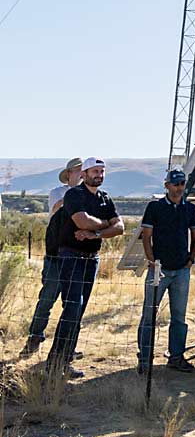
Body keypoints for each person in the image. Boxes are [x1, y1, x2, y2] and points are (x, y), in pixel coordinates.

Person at [45, 157, 123, 378]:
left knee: (78, 312)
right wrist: (104, 223)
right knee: (72, 308)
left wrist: (96, 233)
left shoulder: (105, 198)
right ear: (84, 174)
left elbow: (120, 227)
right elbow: (82, 221)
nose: (98, 174)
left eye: (101, 171)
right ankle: (54, 363)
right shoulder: (74, 195)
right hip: (70, 256)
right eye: (94, 171)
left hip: (92, 258)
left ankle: (65, 362)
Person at [136, 167, 195, 374]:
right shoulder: (155, 207)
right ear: (167, 186)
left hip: (181, 269)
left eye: (182, 183)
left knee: (179, 316)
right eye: (175, 184)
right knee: (149, 314)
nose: (179, 188)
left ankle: (176, 356)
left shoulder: (190, 209)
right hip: (160, 269)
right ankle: (145, 358)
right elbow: (146, 237)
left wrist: (191, 259)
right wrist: (152, 261)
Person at [21, 156, 82, 357]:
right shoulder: (57, 193)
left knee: (72, 303)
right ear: (69, 175)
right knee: (47, 297)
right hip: (56, 254)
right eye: (77, 171)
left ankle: (67, 345)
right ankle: (35, 336)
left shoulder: (87, 195)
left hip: (76, 255)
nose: (80, 174)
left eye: (83, 171)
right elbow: (56, 209)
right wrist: (74, 195)